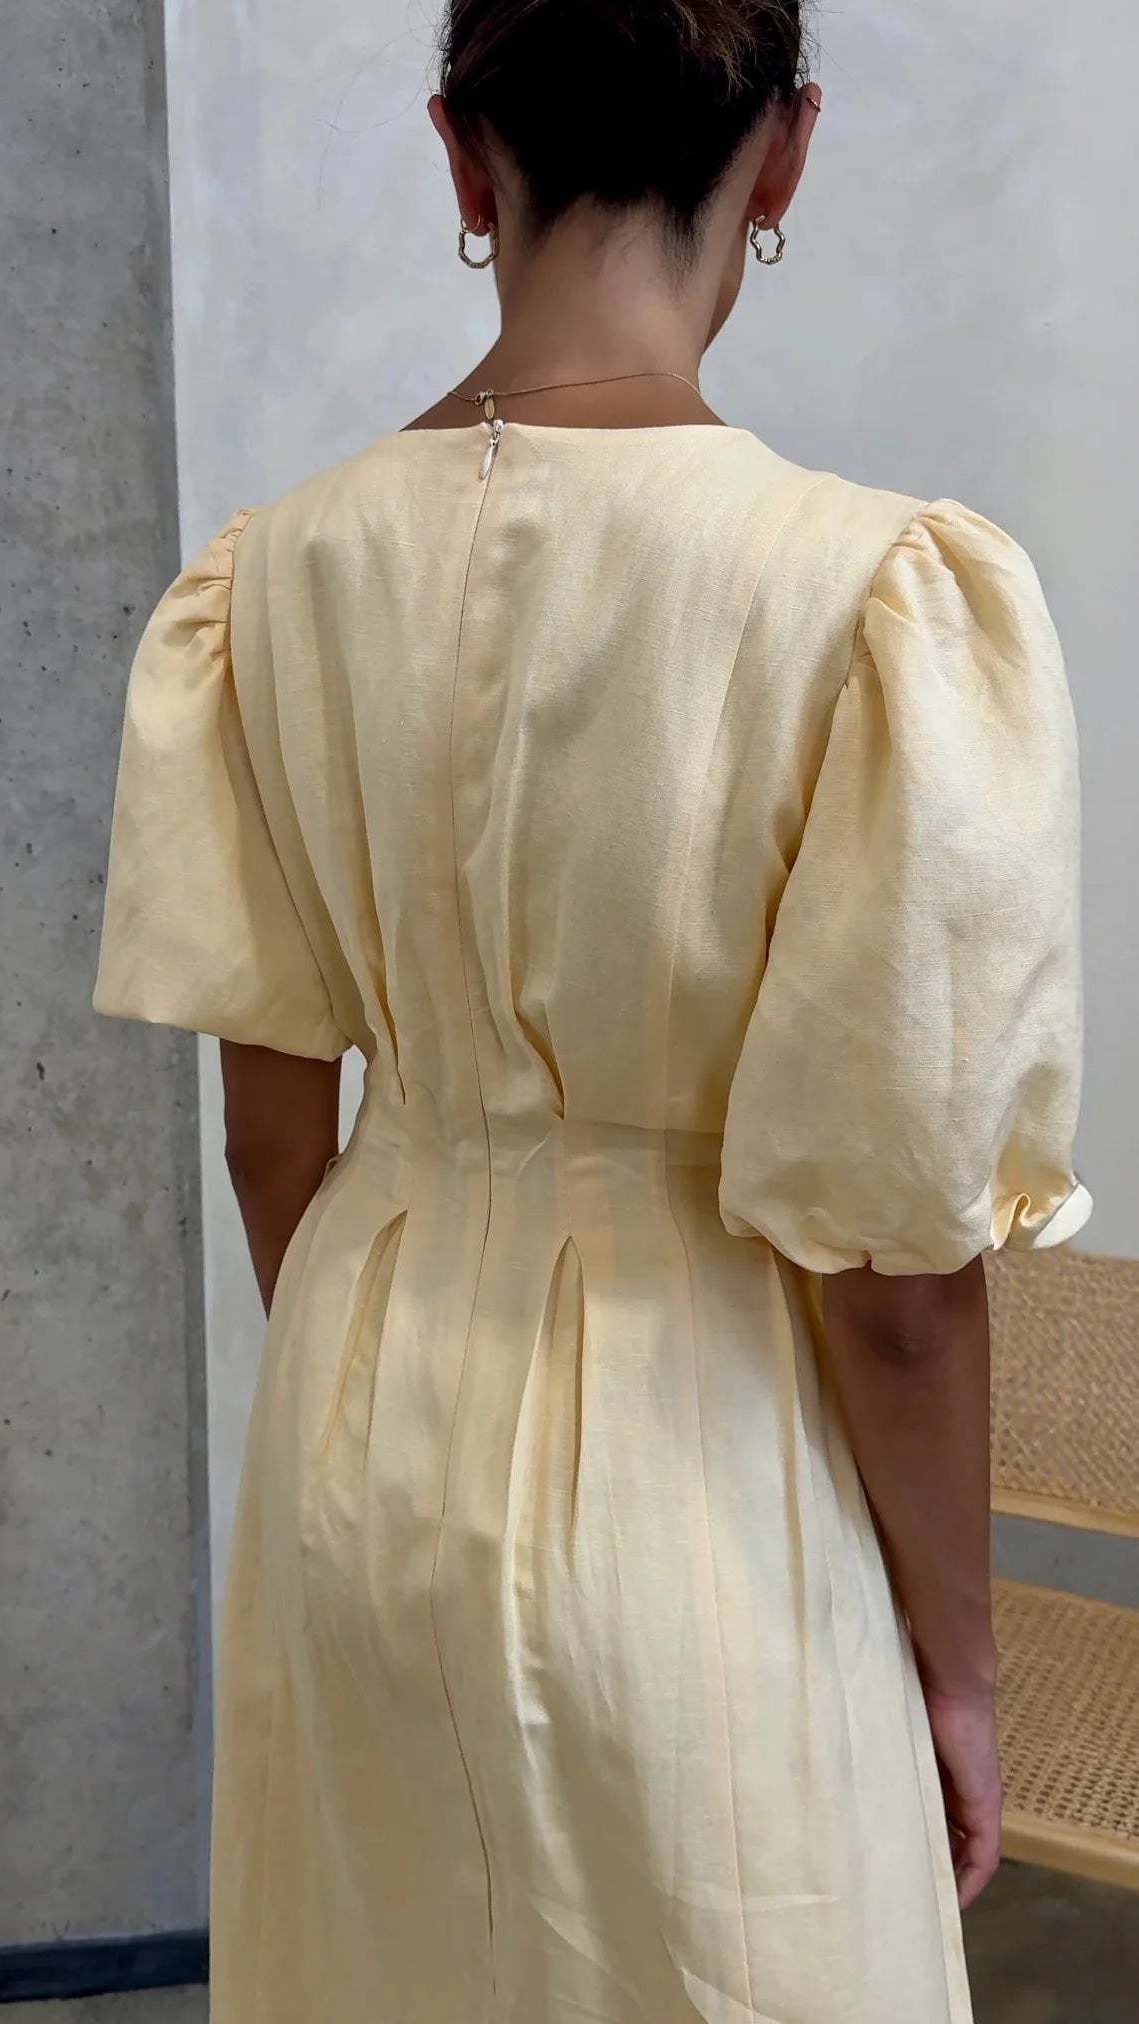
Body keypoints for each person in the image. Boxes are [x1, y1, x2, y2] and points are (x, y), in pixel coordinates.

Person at [93, 3, 1091, 2017]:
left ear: (463, 156)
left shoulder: (265, 581)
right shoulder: (867, 596)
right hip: (701, 1475)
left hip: (355, 1454)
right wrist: (962, 1672)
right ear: (784, 150)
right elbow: (893, 1279)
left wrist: (396, 1390)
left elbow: (272, 1138)